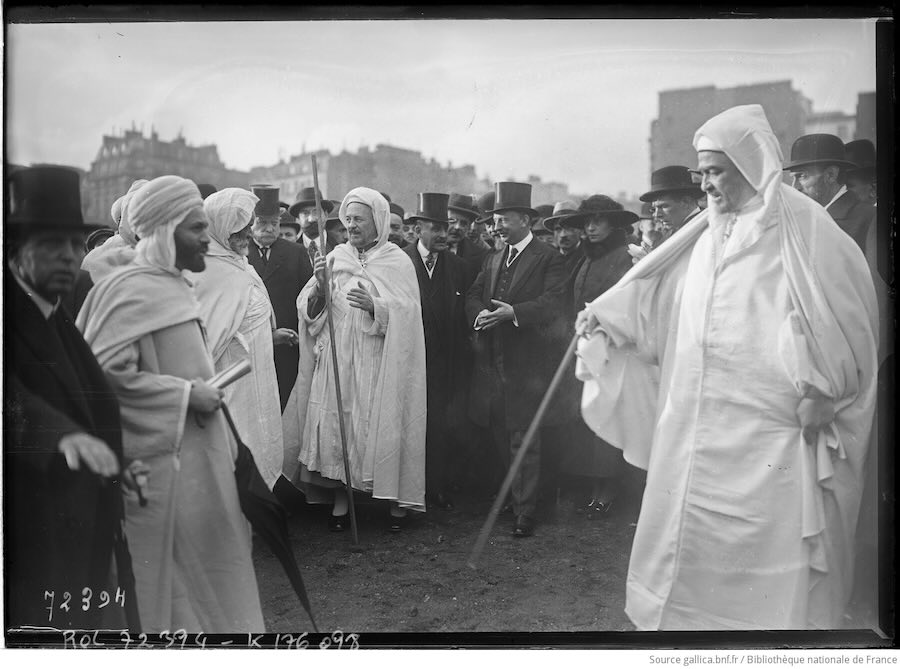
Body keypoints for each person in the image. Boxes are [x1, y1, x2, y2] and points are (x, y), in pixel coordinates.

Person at [576, 105, 878, 630]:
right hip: (696, 426)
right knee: (688, 548)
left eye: (717, 171)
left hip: (773, 435)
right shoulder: (704, 233)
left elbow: (851, 324)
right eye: (703, 172)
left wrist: (826, 390)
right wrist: (608, 322)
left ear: (750, 163)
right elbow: (663, 308)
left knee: (769, 562)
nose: (708, 184)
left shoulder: (809, 230)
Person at [77, 175, 265, 633]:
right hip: (158, 478)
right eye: (197, 228)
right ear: (164, 230)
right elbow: (99, 380)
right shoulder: (124, 288)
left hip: (200, 469)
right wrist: (186, 395)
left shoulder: (175, 283)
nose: (208, 238)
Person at [4, 165, 136, 631]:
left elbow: (93, 399)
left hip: (83, 520)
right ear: (15, 252)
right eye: (51, 245)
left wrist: (119, 462)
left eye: (74, 245)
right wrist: (59, 436)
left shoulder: (57, 306)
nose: (67, 257)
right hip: (30, 531)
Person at [282, 187, 427, 531]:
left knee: (378, 424)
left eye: (358, 219)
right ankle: (342, 502)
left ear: (377, 220)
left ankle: (394, 505)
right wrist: (319, 289)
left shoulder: (396, 260)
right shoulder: (335, 257)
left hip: (378, 360)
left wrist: (377, 306)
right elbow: (309, 312)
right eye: (347, 220)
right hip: (338, 357)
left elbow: (410, 312)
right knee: (340, 425)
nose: (351, 226)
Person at [465, 181, 568, 538]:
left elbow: (556, 303)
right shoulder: (493, 258)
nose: (496, 227)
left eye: (503, 220)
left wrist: (514, 313)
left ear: (524, 219)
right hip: (493, 363)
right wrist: (479, 313)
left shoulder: (548, 257)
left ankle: (526, 511)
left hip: (528, 365)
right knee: (500, 432)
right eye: (494, 221)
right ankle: (516, 497)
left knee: (524, 437)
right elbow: (475, 294)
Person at [188, 188, 292, 490]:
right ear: (219, 227)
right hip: (230, 380)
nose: (247, 233)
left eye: (247, 226)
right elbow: (207, 338)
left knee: (261, 441)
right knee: (236, 446)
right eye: (239, 228)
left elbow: (250, 317)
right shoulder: (207, 271)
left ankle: (257, 514)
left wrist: (268, 336)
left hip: (260, 375)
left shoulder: (240, 264)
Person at [559, 195, 637, 514]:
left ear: (614, 225)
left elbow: (627, 305)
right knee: (586, 414)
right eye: (586, 222)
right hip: (584, 345)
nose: (590, 228)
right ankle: (591, 483)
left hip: (611, 349)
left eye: (598, 221)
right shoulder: (587, 258)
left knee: (607, 413)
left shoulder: (625, 258)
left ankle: (609, 486)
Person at [402, 192, 474, 511]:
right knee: (410, 424)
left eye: (446, 227)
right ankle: (408, 489)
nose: (443, 234)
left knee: (442, 426)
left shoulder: (460, 267)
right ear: (418, 229)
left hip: (446, 363)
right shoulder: (400, 262)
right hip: (409, 360)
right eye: (435, 228)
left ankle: (437, 486)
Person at [247, 184, 312, 412]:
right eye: (262, 223)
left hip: (288, 348)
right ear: (250, 224)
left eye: (274, 223)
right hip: (251, 349)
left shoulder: (296, 253)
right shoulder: (240, 253)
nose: (269, 229)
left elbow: (307, 298)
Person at [785, 133, 874, 252]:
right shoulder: (799, 220)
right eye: (793, 178)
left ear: (830, 175)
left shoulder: (871, 219)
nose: (794, 187)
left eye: (802, 176)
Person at [288, 186, 336, 262]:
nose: (311, 219)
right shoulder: (289, 251)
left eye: (316, 212)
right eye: (305, 213)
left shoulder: (339, 246)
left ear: (326, 215)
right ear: (298, 219)